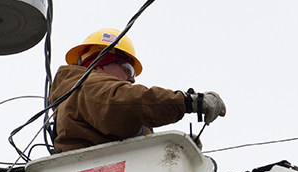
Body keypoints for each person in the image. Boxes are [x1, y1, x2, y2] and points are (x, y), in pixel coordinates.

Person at [49, 28, 226, 153]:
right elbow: (128, 102)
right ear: (99, 64)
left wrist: (174, 146)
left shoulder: (85, 96)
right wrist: (188, 102)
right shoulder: (89, 86)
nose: (132, 78)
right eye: (127, 68)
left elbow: (125, 137)